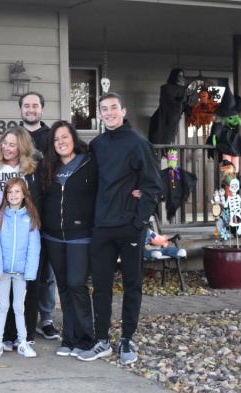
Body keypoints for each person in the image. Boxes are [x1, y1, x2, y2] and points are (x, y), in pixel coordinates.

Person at [79, 92, 161, 365]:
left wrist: (139, 221)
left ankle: (127, 338)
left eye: (114, 108)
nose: (109, 113)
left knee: (132, 285)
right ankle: (101, 339)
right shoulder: (97, 145)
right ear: (100, 115)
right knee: (100, 286)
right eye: (104, 109)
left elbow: (152, 185)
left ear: (123, 111)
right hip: (102, 227)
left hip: (130, 227)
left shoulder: (139, 144)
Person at [40, 120, 98, 357]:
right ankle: (70, 338)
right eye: (56, 139)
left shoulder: (89, 163)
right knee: (63, 286)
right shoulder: (48, 167)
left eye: (64, 137)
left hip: (80, 236)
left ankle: (86, 339)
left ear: (73, 138)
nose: (61, 142)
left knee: (77, 284)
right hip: (53, 236)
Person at [0, 126, 41, 351]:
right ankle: (5, 336)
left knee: (27, 286)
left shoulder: (30, 169)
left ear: (22, 147)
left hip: (24, 224)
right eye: (4, 143)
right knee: (3, 284)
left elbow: (36, 196)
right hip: (2, 224)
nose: (6, 148)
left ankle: (25, 334)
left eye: (12, 144)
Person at [18, 91, 60, 341]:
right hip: (19, 214)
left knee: (46, 271)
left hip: (48, 211)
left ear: (42, 110)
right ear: (20, 109)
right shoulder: (15, 136)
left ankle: (46, 318)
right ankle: (21, 318)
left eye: (35, 105)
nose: (31, 109)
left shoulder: (52, 137)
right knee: (20, 270)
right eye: (26, 105)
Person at [0, 178, 40, 359]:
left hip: (21, 273)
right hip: (3, 273)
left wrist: (30, 272)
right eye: (10, 192)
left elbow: (34, 248)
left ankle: (23, 342)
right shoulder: (0, 217)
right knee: (3, 306)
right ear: (5, 195)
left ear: (24, 194)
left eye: (17, 191)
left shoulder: (30, 218)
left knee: (19, 307)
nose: (13, 195)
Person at [149, 68, 187, 145]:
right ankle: (167, 156)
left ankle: (171, 156)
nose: (180, 78)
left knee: (171, 140)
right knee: (165, 139)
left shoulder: (183, 90)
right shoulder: (166, 88)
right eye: (179, 76)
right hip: (165, 117)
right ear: (174, 76)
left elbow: (185, 102)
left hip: (175, 117)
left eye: (182, 76)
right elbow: (170, 100)